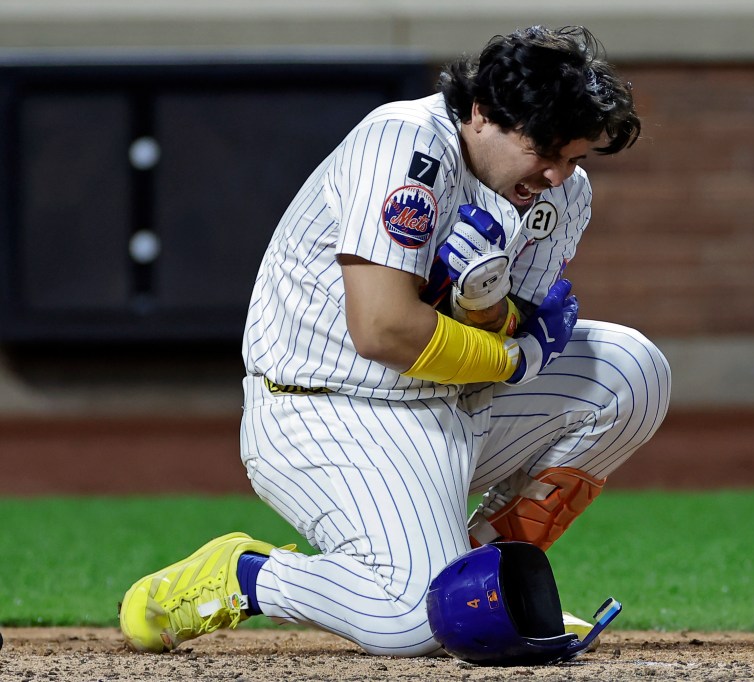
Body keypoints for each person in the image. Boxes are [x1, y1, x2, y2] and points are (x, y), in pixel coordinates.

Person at [119, 25, 671, 658]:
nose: (557, 172)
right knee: (414, 621)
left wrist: (491, 313)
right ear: (483, 113)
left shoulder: (562, 194)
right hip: (331, 409)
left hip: (450, 402)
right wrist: (517, 357)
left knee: (631, 371)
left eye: (574, 155)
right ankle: (247, 575)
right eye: (544, 148)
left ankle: (483, 581)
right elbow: (381, 328)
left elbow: (503, 324)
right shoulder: (404, 144)